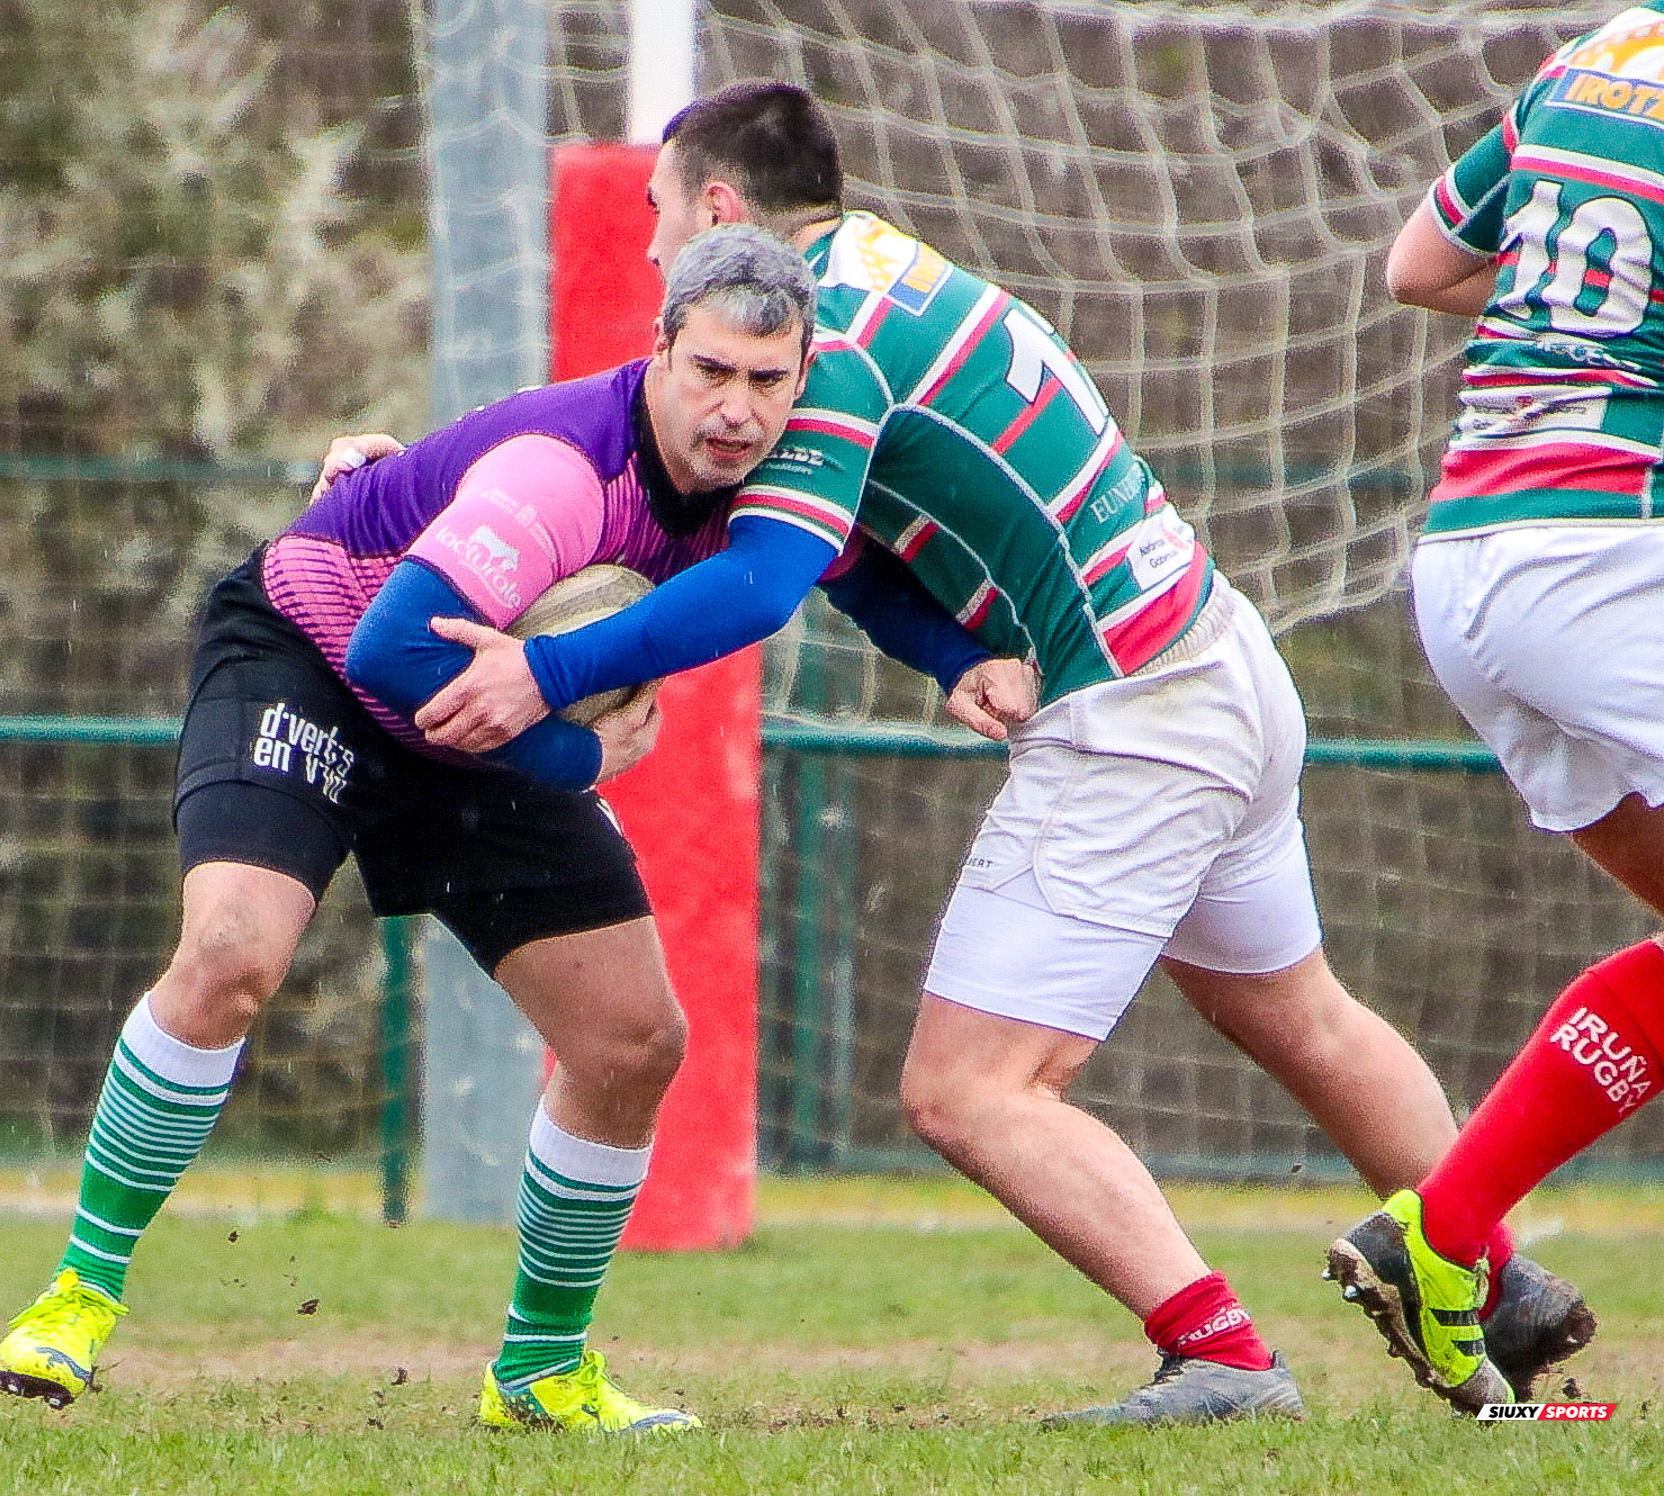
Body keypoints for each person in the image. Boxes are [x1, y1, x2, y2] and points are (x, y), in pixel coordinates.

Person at [320, 82, 1593, 1424]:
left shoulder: (824, 336)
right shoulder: (879, 276)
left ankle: (1223, 1358)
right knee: (1300, 1013)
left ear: (716, 210)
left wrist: (545, 670)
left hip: (1136, 711)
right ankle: (1493, 1277)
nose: (648, 250)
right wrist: (427, 480)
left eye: (657, 217)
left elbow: (764, 582)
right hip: (1215, 656)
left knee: (971, 1092)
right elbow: (852, 554)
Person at [0, 224, 1011, 1434]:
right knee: (229, 956)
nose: (736, 409)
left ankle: (539, 1371)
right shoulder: (561, 472)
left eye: (766, 380)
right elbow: (393, 649)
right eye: (711, 372)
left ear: (803, 377)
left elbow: (840, 565)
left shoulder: (776, 468)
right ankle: (77, 1293)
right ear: (659, 351)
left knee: (634, 1042)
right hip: (315, 660)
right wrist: (576, 747)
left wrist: (960, 656)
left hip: (480, 710)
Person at [1327, 4, 1664, 1414]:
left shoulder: (1595, 55)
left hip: (1469, 560)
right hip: (1607, 551)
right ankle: (1444, 1235)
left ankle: (1442, 1242)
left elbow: (1421, 266)